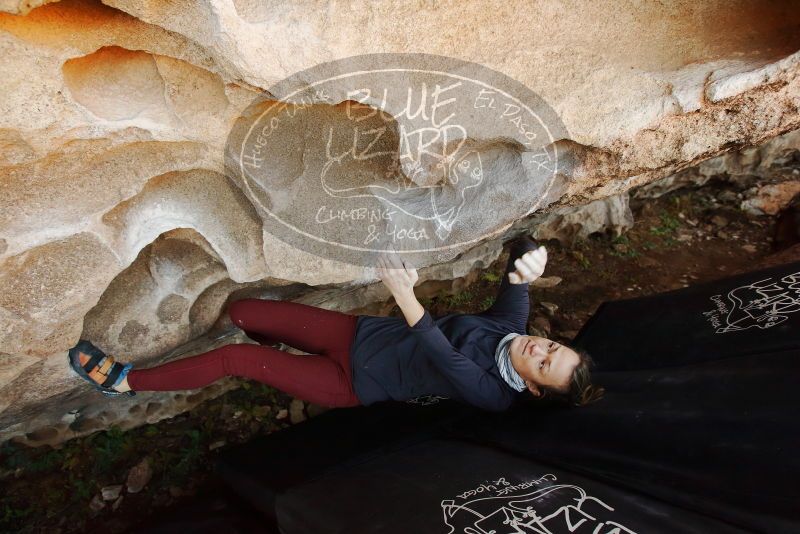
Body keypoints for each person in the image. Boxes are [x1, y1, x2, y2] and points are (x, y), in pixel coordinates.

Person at [68, 236, 601, 411]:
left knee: (235, 360)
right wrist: (530, 253)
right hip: (361, 336)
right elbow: (516, 261)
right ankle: (271, 352)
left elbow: (443, 353)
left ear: (533, 389)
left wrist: (404, 294)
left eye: (545, 364)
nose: (539, 347)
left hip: (354, 382)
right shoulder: (512, 327)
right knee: (243, 313)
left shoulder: (493, 394)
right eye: (552, 346)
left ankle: (124, 382)